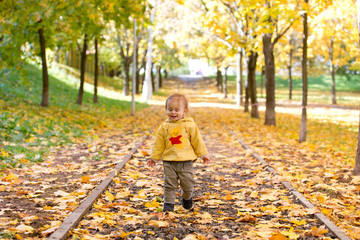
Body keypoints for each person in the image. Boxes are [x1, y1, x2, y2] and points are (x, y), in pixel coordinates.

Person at [147, 93, 210, 212]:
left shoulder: (189, 125)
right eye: (170, 110)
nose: (173, 113)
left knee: (188, 185)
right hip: (169, 162)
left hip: (186, 162)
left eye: (177, 110)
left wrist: (203, 155)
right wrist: (154, 158)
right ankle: (168, 206)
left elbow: (197, 141)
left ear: (184, 111)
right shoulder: (164, 127)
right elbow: (158, 144)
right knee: (169, 184)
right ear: (166, 110)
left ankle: (187, 199)